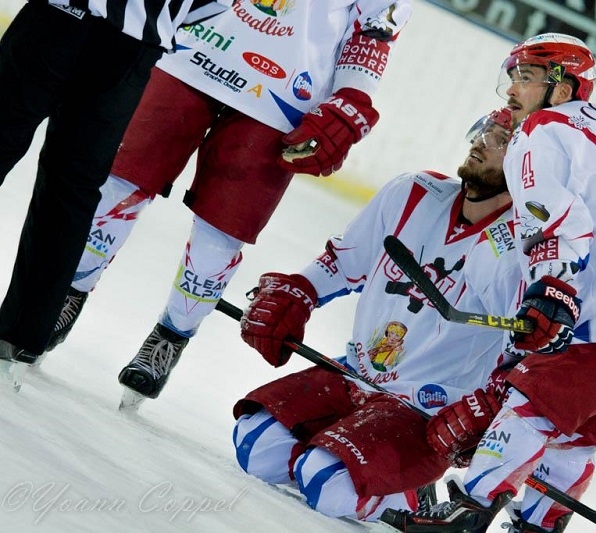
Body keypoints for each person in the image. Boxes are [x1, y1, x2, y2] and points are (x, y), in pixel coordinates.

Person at [382, 33, 596, 533]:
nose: (510, 92)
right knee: (579, 425)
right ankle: (540, 525)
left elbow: (560, 221)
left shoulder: (541, 130)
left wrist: (552, 292)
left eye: (525, 78)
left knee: (534, 397)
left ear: (562, 89)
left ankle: (468, 510)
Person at [39, 1, 412, 403]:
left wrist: (352, 96)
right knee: (119, 187)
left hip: (286, 92)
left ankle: (171, 336)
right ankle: (66, 294)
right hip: (186, 49)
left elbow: (373, 28)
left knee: (221, 233)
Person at [232, 109, 528, 523]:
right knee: (257, 446)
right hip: (356, 371)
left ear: (525, 166)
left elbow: (528, 353)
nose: (480, 142)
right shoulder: (414, 192)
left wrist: (492, 413)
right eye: (483, 130)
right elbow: (343, 263)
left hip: (427, 408)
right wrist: (302, 291)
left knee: (324, 481)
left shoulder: (522, 251)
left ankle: (411, 493)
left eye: (500, 139)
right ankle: (358, 458)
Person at [0, 0, 232, 389]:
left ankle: (21, 335)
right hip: (131, 48)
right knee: (73, 187)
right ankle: (20, 338)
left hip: (59, 17)